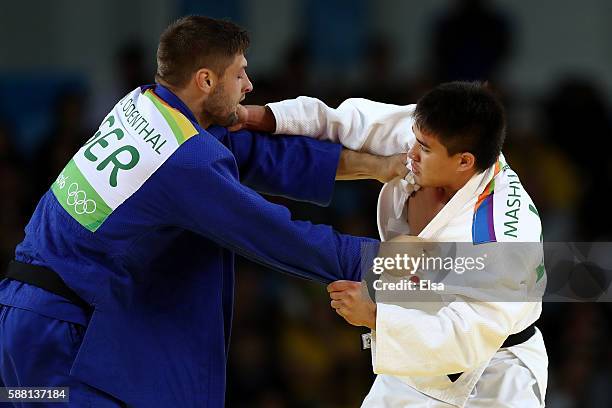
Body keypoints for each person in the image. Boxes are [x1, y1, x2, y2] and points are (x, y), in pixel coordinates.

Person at [0, 16, 408, 407]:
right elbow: (282, 239)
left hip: (28, 320)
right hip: (57, 343)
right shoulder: (184, 163)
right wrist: (414, 267)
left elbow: (256, 154)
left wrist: (375, 167)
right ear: (206, 80)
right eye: (239, 75)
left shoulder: (144, 104)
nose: (249, 85)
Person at [236, 82, 547, 407]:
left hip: (492, 375)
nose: (410, 152)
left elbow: (465, 339)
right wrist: (262, 116)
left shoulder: (500, 239)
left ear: (464, 161)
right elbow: (342, 121)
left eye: (424, 149)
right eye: (416, 139)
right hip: (418, 340)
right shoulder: (433, 136)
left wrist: (376, 316)